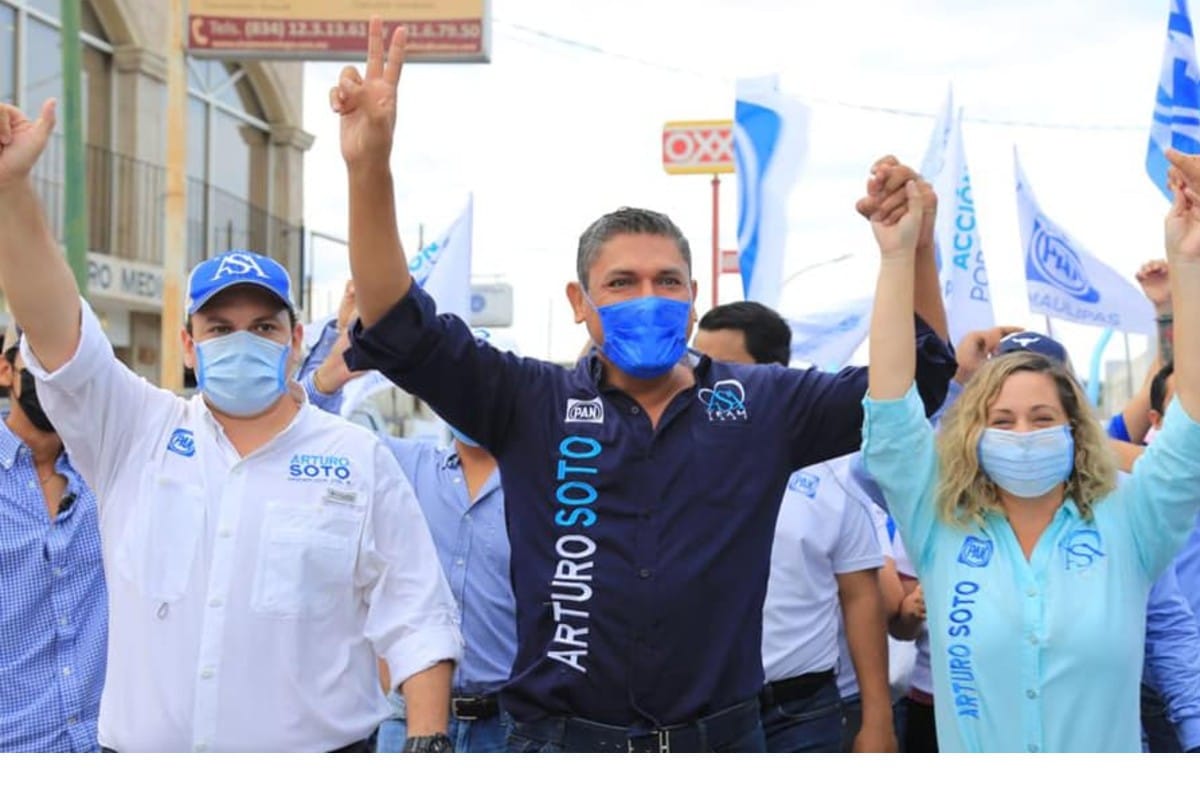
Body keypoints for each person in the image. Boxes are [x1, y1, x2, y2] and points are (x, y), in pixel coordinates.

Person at [328, 19, 955, 752]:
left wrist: (911, 251)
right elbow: (400, 324)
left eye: (666, 282)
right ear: (579, 302)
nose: (647, 297)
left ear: (694, 297)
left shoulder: (763, 405)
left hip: (720, 745)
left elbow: (918, 381)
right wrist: (369, 168)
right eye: (621, 283)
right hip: (559, 746)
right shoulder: (529, 402)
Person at [0, 98, 463, 752]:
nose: (240, 342)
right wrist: (13, 192)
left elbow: (417, 619)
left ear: (296, 340)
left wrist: (428, 745)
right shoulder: (134, 431)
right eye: (219, 328)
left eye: (263, 327)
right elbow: (56, 328)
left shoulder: (359, 460)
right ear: (188, 346)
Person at [860, 155, 1200, 751]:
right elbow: (891, 411)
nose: (1022, 433)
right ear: (972, 431)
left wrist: (1190, 264)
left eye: (1042, 418)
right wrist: (895, 258)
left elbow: (1191, 420)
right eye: (1002, 419)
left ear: (1076, 428)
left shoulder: (1132, 522)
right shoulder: (938, 520)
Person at [299, 323, 519, 753]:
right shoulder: (403, 464)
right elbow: (304, 435)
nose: (468, 396)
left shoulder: (543, 484)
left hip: (507, 726)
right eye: (457, 384)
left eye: (483, 383)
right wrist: (331, 374)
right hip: (407, 716)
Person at [692, 301, 895, 753]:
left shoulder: (833, 468)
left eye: (722, 368)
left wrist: (878, 718)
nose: (704, 380)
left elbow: (860, 595)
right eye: (698, 363)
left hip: (800, 713)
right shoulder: (668, 455)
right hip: (699, 712)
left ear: (771, 376)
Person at [0, 324, 106, 752]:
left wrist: (325, 379)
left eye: (65, 367)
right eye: (37, 361)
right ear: (6, 371)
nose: (52, 378)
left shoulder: (109, 467)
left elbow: (239, 451)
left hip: (105, 746)